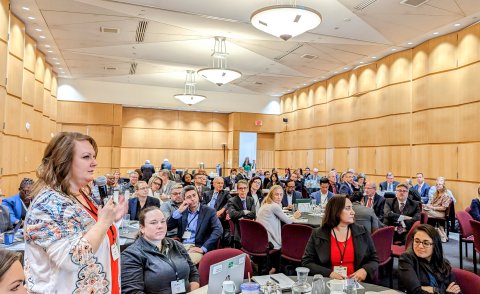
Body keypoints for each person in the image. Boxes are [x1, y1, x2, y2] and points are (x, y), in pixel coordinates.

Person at [24, 132, 126, 293]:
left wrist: (113, 219)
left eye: (94, 156)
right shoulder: (48, 203)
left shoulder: (80, 194)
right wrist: (104, 222)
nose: (95, 163)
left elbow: (91, 235)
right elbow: (72, 258)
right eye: (86, 157)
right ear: (63, 161)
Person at [121, 207, 200, 293]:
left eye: (163, 221)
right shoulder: (131, 255)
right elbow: (133, 292)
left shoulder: (176, 245)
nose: (160, 226)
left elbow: (193, 273)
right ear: (142, 228)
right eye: (153, 223)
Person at [302, 195, 379, 281]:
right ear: (336, 211)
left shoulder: (362, 231)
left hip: (356, 283)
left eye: (352, 208)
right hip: (329, 282)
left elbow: (374, 259)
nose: (353, 212)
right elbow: (306, 262)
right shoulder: (318, 233)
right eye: (348, 208)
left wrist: (365, 270)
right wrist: (329, 274)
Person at [167, 185, 223, 265]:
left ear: (198, 196)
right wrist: (179, 211)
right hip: (181, 246)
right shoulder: (182, 211)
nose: (192, 199)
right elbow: (168, 227)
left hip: (197, 247)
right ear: (184, 200)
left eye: (194, 195)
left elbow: (218, 230)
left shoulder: (209, 211)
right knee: (167, 262)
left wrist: (203, 248)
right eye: (189, 197)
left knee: (182, 264)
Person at [398, 224, 461, 294]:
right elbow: (416, 291)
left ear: (435, 245)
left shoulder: (443, 263)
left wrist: (432, 289)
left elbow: (455, 290)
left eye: (426, 243)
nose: (420, 246)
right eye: (417, 241)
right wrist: (440, 291)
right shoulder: (407, 258)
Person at [256, 185, 301, 273]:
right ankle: (276, 268)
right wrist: (295, 216)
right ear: (271, 195)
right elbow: (289, 222)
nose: (279, 197)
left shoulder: (266, 203)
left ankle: (273, 268)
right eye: (276, 194)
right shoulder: (274, 206)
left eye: (281, 194)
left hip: (261, 239)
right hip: (269, 241)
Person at [227, 180, 256, 244]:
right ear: (237, 190)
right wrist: (244, 212)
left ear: (248, 189)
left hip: (249, 224)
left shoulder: (251, 199)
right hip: (238, 225)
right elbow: (232, 214)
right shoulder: (232, 200)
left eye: (245, 188)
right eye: (240, 188)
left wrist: (241, 216)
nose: (243, 190)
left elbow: (253, 214)